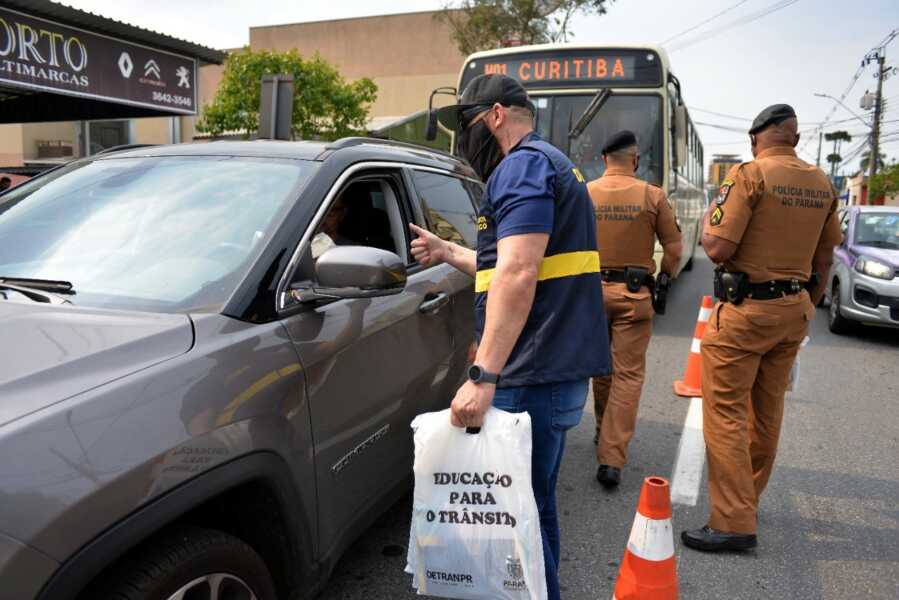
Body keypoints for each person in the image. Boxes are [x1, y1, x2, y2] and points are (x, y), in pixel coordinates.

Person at [408, 73, 610, 600]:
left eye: (467, 123)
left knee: (520, 507)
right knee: (533, 504)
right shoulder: (549, 163)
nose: (465, 139)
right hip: (550, 365)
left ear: (496, 115)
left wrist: (483, 374)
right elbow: (511, 263)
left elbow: (518, 274)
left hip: (532, 369)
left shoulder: (519, 167)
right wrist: (447, 251)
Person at [682, 104, 841, 552]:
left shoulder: (748, 174)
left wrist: (719, 204)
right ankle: (746, 499)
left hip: (747, 311)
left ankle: (733, 521)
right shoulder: (821, 182)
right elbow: (825, 258)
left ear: (756, 137)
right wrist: (805, 305)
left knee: (726, 412)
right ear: (794, 137)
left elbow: (715, 246)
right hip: (794, 309)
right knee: (767, 411)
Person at [587, 130, 682, 489]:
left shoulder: (584, 193)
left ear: (604, 159)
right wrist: (666, 279)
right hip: (633, 295)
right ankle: (611, 459)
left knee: (601, 369)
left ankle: (601, 429)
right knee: (627, 375)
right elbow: (673, 248)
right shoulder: (651, 195)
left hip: (589, 295)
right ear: (636, 159)